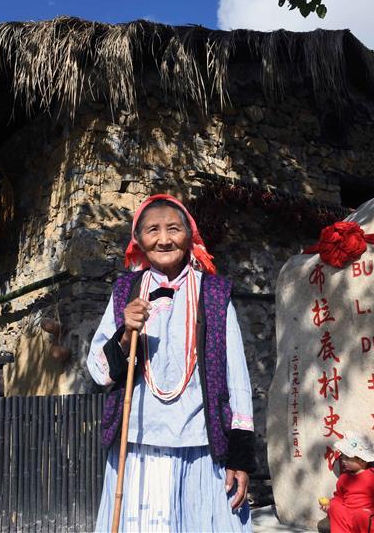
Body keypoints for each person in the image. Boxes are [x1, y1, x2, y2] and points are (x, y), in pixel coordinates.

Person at [86, 194, 256, 532]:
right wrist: (125, 333)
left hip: (203, 446)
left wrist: (240, 457)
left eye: (174, 229)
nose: (164, 239)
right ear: (139, 240)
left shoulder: (214, 293)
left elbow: (237, 378)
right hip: (139, 446)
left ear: (189, 237)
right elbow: (98, 372)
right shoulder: (125, 292)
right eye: (153, 230)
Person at [319, 431, 374, 533]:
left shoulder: (372, 476)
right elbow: (339, 496)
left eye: (348, 458)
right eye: (343, 457)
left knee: (362, 515)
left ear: (362, 460)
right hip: (347, 516)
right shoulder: (344, 478)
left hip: (365, 517)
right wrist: (330, 505)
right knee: (335, 507)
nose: (343, 460)